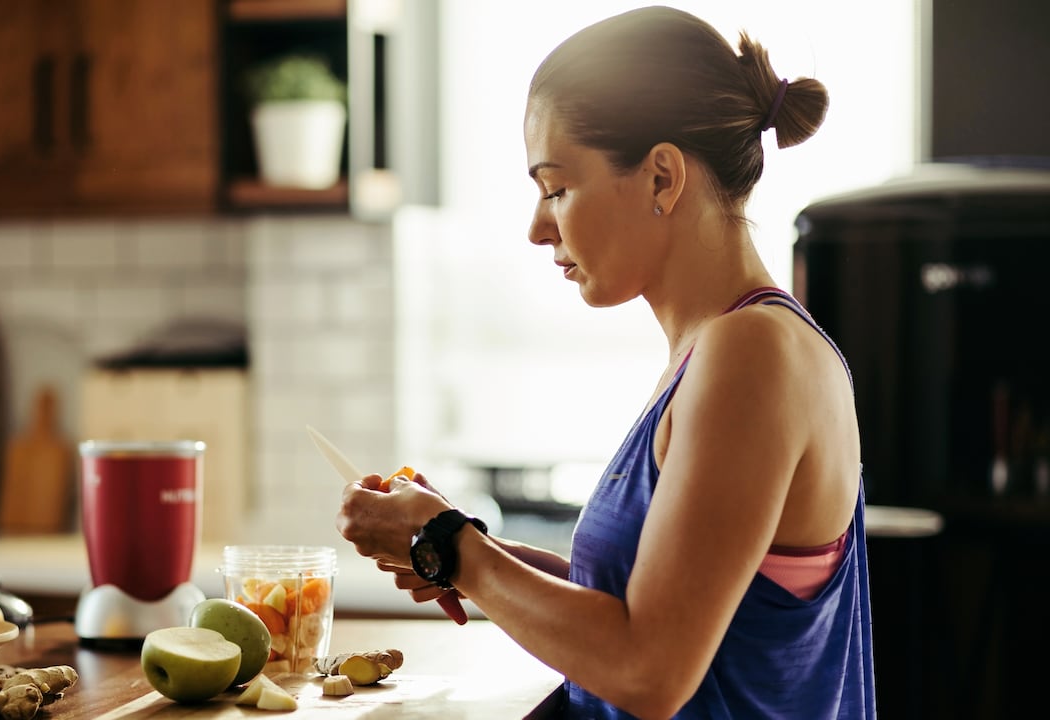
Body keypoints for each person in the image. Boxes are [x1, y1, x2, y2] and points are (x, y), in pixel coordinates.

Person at [335, 6, 875, 719]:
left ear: (661, 177)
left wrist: (452, 546)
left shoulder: (752, 355)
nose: (537, 227)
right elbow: (650, 605)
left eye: (556, 187)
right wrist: (458, 548)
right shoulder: (721, 350)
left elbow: (650, 669)